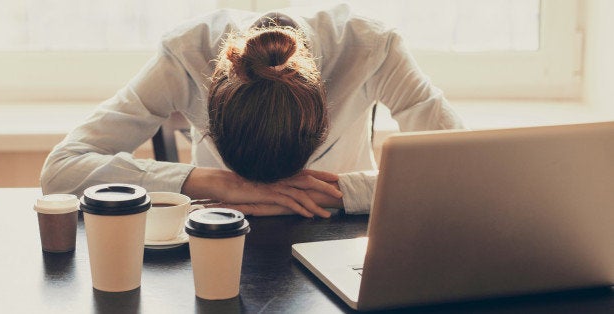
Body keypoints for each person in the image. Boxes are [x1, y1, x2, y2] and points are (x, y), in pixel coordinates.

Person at [40, 4, 464, 218]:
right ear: (212, 109)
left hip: (340, 231)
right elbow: (62, 169)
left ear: (322, 112)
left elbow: (465, 170)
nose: (274, 190)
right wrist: (213, 182)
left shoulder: (373, 47)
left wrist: (340, 192)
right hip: (222, 224)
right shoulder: (187, 52)